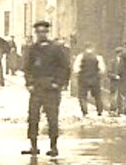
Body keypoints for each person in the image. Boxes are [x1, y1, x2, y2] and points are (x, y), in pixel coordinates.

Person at [21, 20, 70, 156]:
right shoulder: (32, 49)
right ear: (35, 33)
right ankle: (33, 146)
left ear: (47, 32)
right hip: (36, 88)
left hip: (51, 88)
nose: (41, 34)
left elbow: (64, 67)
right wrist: (29, 83)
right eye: (38, 32)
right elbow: (27, 68)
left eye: (43, 31)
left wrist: (58, 83)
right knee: (33, 117)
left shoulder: (55, 49)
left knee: (52, 118)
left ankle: (53, 146)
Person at [75, 43, 106, 117]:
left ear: (85, 48)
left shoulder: (80, 57)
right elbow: (102, 69)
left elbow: (76, 69)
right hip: (95, 79)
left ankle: (85, 111)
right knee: (97, 96)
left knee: (82, 96)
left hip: (83, 78)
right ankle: (99, 111)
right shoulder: (98, 57)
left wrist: (80, 74)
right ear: (93, 48)